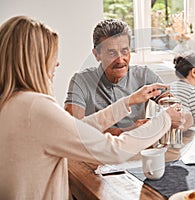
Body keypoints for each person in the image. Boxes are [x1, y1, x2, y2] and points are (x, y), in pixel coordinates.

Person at [0, 15, 183, 200]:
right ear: (35, 60)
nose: (57, 63)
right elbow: (113, 151)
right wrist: (164, 120)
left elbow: (77, 129)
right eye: (52, 55)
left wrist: (127, 102)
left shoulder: (12, 104)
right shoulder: (36, 107)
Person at [64, 19, 170, 136]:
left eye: (124, 51)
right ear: (96, 54)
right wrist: (128, 131)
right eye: (111, 53)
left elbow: (180, 112)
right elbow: (71, 129)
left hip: (137, 152)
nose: (120, 60)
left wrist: (157, 122)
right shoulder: (81, 81)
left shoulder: (144, 75)